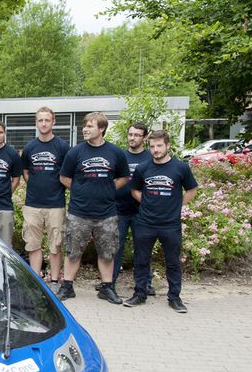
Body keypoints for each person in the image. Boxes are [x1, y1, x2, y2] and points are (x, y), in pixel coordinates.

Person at [57, 112, 130, 304]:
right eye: (85, 126)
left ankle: (107, 288)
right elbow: (64, 177)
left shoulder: (115, 152)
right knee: (73, 251)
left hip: (106, 214)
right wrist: (81, 189)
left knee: (107, 253)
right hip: (78, 213)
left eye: (90, 126)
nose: (85, 129)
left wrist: (108, 189)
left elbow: (124, 177)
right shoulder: (76, 152)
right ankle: (67, 287)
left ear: (102, 129)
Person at [123, 130, 198, 313]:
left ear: (168, 146)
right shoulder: (143, 168)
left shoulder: (180, 168)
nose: (155, 150)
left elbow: (191, 190)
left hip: (170, 224)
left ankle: (174, 297)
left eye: (159, 146)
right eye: (152, 146)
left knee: (172, 262)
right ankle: (139, 294)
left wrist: (176, 205)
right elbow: (134, 190)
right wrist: (148, 203)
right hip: (146, 222)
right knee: (141, 260)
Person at [21, 107, 70, 285]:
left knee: (56, 245)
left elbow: (67, 174)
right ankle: (37, 281)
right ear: (36, 122)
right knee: (32, 244)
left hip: (55, 204)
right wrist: (35, 185)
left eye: (47, 120)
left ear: (53, 122)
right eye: (40, 120)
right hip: (32, 204)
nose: (43, 123)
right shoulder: (29, 147)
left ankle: (55, 280)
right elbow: (26, 172)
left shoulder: (63, 147)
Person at [112, 122, 154, 293]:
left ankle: (146, 284)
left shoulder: (150, 158)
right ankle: (109, 283)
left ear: (144, 137)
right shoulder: (119, 156)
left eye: (137, 135)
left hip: (141, 212)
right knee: (115, 249)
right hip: (118, 210)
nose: (132, 138)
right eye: (130, 134)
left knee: (142, 249)